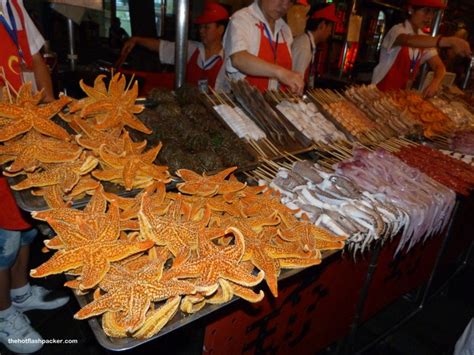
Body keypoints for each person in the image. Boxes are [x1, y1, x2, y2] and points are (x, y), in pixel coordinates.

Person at [0, 0, 69, 353]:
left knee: (24, 226)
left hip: (28, 133)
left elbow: (36, 59)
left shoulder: (12, 5)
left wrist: (50, 116)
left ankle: (20, 292)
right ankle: (2, 314)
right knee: (1, 242)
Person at [119, 1, 229, 91]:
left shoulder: (228, 61)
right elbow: (161, 46)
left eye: (206, 27)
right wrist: (137, 39)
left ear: (220, 29)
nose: (201, 31)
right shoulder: (192, 49)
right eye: (200, 27)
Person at [371, 0, 472, 98]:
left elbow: (439, 67)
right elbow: (409, 40)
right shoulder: (397, 30)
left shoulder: (424, 38)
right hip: (379, 92)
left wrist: (435, 82)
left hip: (400, 96)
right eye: (426, 11)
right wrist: (450, 41)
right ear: (411, 9)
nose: (430, 17)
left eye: (432, 12)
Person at [223, 0, 304, 95]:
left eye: (291, 1)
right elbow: (238, 58)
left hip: (275, 105)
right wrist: (280, 73)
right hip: (244, 104)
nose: (285, 6)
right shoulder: (242, 19)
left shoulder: (285, 30)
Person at [292, 3, 338, 88]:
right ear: (322, 26)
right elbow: (295, 84)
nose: (330, 33)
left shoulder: (307, 43)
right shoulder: (304, 47)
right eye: (330, 28)